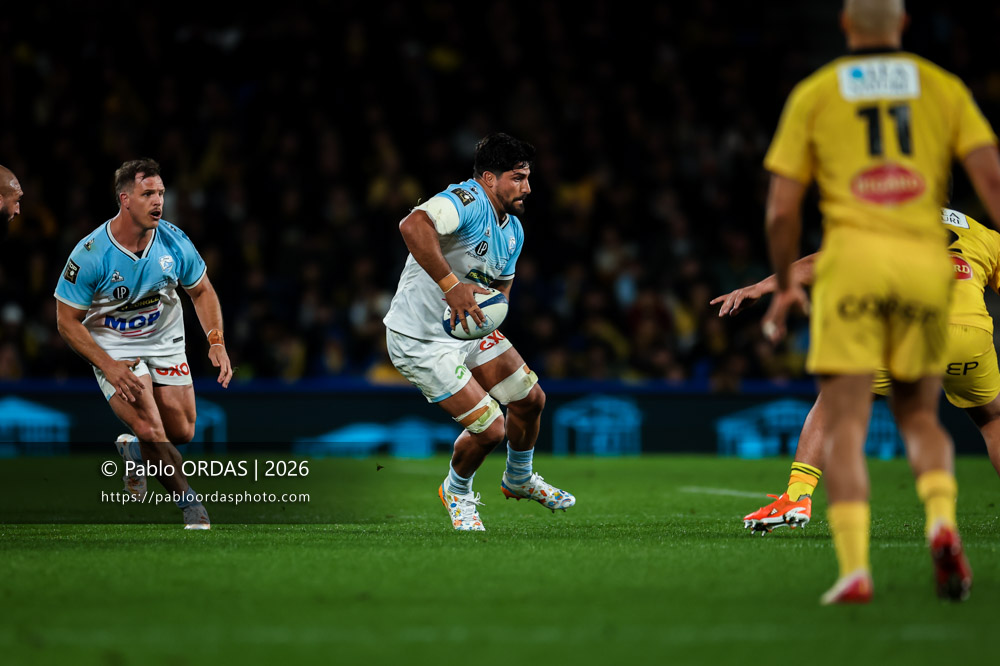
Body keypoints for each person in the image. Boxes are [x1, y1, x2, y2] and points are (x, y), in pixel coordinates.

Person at [760, 0, 1000, 604]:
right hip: (958, 316)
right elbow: (992, 177)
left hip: (875, 293)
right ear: (904, 26)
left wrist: (779, 285)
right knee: (978, 417)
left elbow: (784, 210)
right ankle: (942, 520)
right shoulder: (942, 89)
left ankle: (847, 559)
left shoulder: (817, 92)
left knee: (842, 412)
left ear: (845, 27)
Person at [713, 208, 1000, 533]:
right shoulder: (985, 235)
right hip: (969, 335)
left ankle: (796, 498)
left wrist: (763, 287)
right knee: (992, 418)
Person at [382, 133, 575, 531]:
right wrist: (453, 288)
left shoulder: (514, 231)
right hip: (420, 339)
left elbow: (500, 293)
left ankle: (518, 478)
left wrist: (487, 316)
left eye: (527, 177)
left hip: (464, 330)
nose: (527, 187)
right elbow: (412, 224)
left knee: (530, 398)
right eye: (518, 178)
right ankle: (457, 491)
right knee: (490, 428)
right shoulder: (464, 201)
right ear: (488, 178)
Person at [54, 158, 233, 530]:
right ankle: (192, 507)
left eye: (161, 193)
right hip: (115, 346)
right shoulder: (90, 255)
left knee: (181, 432)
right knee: (152, 429)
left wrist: (215, 340)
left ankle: (135, 450)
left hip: (164, 338)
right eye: (147, 193)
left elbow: (202, 291)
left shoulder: (174, 241)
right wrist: (108, 365)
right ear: (125, 200)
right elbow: (66, 321)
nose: (158, 201)